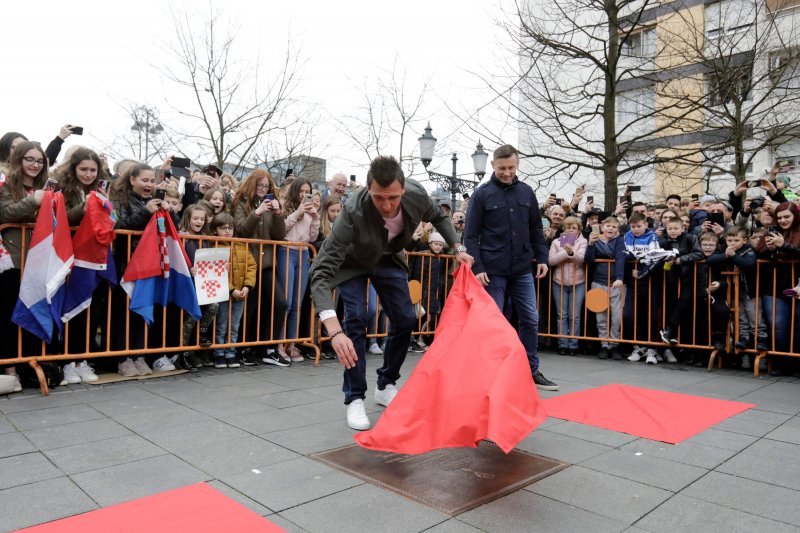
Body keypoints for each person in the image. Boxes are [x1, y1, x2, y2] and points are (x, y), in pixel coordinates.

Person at [309, 155, 471, 431]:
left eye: (393, 198)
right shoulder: (352, 212)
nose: (386, 205)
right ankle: (355, 397)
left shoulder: (418, 196)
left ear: (404, 190)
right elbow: (320, 273)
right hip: (353, 263)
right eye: (378, 198)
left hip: (389, 259)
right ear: (367, 190)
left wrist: (459, 248)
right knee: (357, 318)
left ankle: (386, 384)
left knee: (406, 319)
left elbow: (439, 217)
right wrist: (334, 331)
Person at [464, 144, 559, 391]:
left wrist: (543, 259)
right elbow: (471, 235)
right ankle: (492, 370)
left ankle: (531, 369)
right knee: (494, 321)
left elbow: (536, 230)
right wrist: (478, 267)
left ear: (517, 165)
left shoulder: (526, 192)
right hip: (492, 269)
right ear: (493, 165)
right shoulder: (482, 194)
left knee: (530, 317)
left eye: (511, 167)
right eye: (502, 168)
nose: (507, 172)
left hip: (522, 268)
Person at [0, 141, 49, 390]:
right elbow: (5, 213)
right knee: (9, 316)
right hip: (12, 261)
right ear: (18, 159)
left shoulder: (45, 185)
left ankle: (29, 365)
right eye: (29, 159)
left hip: (39, 261)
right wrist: (34, 201)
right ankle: (10, 370)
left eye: (39, 161)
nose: (34, 164)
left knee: (33, 315)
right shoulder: (6, 183)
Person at [231, 169, 289, 366]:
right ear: (252, 185)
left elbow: (279, 236)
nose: (264, 189)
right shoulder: (241, 203)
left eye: (267, 186)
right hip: (248, 263)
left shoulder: (272, 205)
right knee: (250, 308)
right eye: (261, 186)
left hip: (266, 264)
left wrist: (278, 214)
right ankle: (244, 348)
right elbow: (241, 230)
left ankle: (269, 348)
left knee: (280, 303)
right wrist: (256, 213)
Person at [276, 178, 319, 362]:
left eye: (307, 191)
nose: (304, 194)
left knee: (297, 304)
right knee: (286, 302)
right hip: (287, 251)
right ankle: (279, 344)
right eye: (301, 191)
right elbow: (281, 229)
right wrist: (298, 211)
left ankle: (292, 344)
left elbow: (312, 236)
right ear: (295, 191)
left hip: (303, 253)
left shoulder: (310, 211)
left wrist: (315, 217)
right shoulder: (285, 205)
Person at [210, 212, 256, 369]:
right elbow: (213, 271)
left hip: (240, 293)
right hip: (223, 293)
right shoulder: (213, 246)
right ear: (215, 230)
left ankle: (230, 352)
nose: (227, 231)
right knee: (221, 324)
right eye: (223, 228)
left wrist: (247, 286)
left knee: (234, 325)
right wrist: (231, 289)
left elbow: (251, 266)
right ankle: (218, 353)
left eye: (230, 228)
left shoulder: (241, 244)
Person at [585, 216, 626, 360]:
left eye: (614, 227)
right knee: (601, 317)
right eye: (608, 226)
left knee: (616, 317)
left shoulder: (619, 241)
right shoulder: (596, 241)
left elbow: (620, 258)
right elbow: (589, 260)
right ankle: (604, 345)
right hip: (598, 283)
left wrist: (620, 278)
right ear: (602, 227)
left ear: (618, 230)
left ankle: (614, 345)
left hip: (615, 284)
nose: (611, 229)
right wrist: (590, 244)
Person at [548, 216, 588, 355]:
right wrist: (566, 252)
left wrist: (571, 252)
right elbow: (551, 261)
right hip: (559, 282)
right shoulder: (556, 242)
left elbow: (582, 259)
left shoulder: (583, 242)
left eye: (574, 228)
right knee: (562, 315)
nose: (571, 230)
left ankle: (573, 344)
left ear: (579, 230)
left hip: (578, 282)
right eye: (568, 227)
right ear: (564, 229)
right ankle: (562, 343)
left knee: (575, 315)